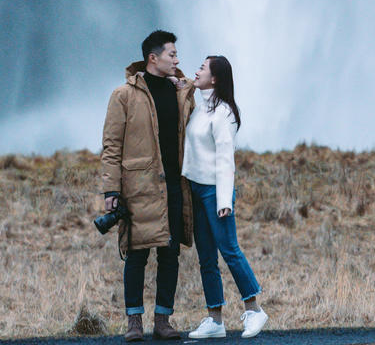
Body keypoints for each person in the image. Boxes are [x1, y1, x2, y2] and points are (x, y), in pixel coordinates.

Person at [101, 30, 196, 342]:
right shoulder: (124, 95)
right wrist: (111, 190)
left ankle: (163, 321)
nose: (177, 60)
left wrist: (186, 89)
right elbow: (111, 147)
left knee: (170, 254)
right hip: (138, 186)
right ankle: (134, 322)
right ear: (153, 58)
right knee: (137, 254)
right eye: (172, 54)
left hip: (174, 185)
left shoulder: (180, 92)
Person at [182, 56, 268, 340]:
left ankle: (254, 310)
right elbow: (186, 84)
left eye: (202, 68)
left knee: (229, 251)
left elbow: (224, 160)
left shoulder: (224, 113)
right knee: (206, 257)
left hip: (214, 192)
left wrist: (224, 202)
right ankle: (215, 319)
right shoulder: (201, 107)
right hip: (196, 189)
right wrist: (181, 83)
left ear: (215, 78)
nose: (197, 71)